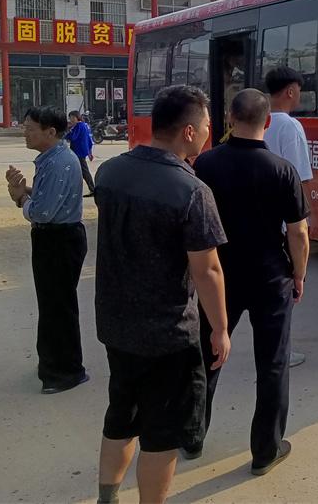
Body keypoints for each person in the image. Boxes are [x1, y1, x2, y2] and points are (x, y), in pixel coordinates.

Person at [93, 85, 230, 504]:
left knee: (121, 417)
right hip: (168, 334)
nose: (208, 132)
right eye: (206, 125)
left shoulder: (110, 173)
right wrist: (220, 328)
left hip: (116, 325)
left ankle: (107, 498)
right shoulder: (191, 191)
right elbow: (207, 270)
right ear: (189, 131)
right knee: (161, 434)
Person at [188, 89, 310, 474]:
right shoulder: (282, 169)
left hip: (219, 275)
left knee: (206, 354)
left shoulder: (206, 164)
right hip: (270, 276)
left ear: (229, 117)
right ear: (267, 121)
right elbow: (298, 233)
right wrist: (299, 273)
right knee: (272, 363)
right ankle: (265, 450)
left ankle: (191, 436)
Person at [5, 106, 88, 395]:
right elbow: (47, 198)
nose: (25, 133)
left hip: (58, 240)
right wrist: (24, 190)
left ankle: (65, 372)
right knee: (54, 305)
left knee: (57, 307)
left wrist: (20, 199)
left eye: (30, 128)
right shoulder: (53, 158)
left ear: (51, 132)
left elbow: (43, 212)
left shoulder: (58, 162)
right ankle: (56, 365)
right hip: (55, 239)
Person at [263, 67, 313, 368]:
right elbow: (298, 178)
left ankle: (272, 349)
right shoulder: (290, 127)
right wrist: (305, 219)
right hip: (285, 222)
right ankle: (281, 352)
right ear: (291, 91)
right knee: (286, 292)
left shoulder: (261, 120)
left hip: (263, 217)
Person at [67, 110, 96, 196]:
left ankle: (92, 189)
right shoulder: (84, 125)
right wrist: (89, 152)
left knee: (83, 171)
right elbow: (89, 140)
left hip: (78, 151)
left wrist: (68, 131)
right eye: (70, 118)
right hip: (82, 151)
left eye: (72, 118)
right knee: (79, 171)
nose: (71, 120)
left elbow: (73, 137)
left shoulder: (78, 126)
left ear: (77, 117)